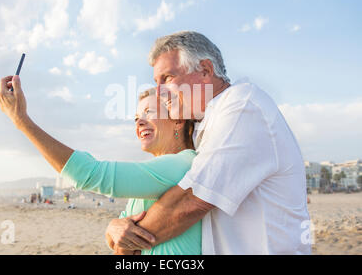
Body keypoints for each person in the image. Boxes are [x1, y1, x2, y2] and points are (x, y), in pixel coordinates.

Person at [105, 31, 312, 255]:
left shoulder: (242, 104)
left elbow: (191, 201)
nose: (160, 92)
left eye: (167, 78)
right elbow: (165, 193)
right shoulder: (204, 127)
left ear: (205, 70)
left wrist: (125, 243)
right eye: (156, 82)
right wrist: (115, 227)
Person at [0, 81, 201, 255]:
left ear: (178, 120)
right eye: (136, 117)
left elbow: (89, 174)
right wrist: (113, 227)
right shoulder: (154, 178)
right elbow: (117, 235)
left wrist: (21, 120)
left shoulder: (183, 164)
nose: (139, 121)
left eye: (149, 112)